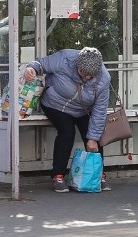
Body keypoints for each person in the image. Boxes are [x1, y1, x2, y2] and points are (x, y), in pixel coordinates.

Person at [23, 47, 111, 193]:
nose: (87, 78)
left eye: (91, 75)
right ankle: (58, 176)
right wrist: (31, 69)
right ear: (77, 65)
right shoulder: (65, 58)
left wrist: (93, 138)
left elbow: (100, 111)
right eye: (84, 73)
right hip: (55, 104)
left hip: (83, 109)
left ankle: (97, 175)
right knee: (67, 131)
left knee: (94, 136)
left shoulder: (104, 78)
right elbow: (40, 64)